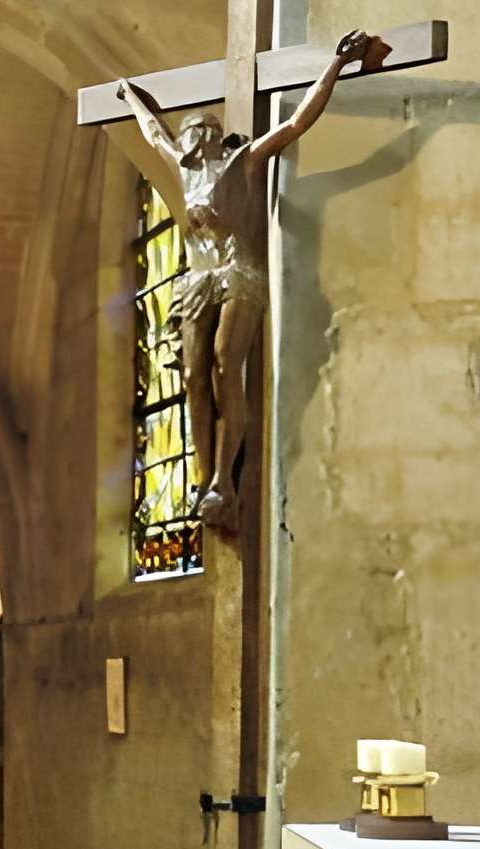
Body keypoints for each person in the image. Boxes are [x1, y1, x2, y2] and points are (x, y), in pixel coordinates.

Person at [117, 28, 383, 529]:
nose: (195, 140)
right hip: (200, 279)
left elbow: (298, 121)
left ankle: (224, 479)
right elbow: (152, 132)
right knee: (193, 375)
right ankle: (202, 482)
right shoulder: (184, 168)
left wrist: (335, 66)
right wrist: (130, 94)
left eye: (202, 132)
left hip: (241, 270)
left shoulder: (247, 161)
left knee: (224, 362)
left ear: (215, 136)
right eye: (192, 133)